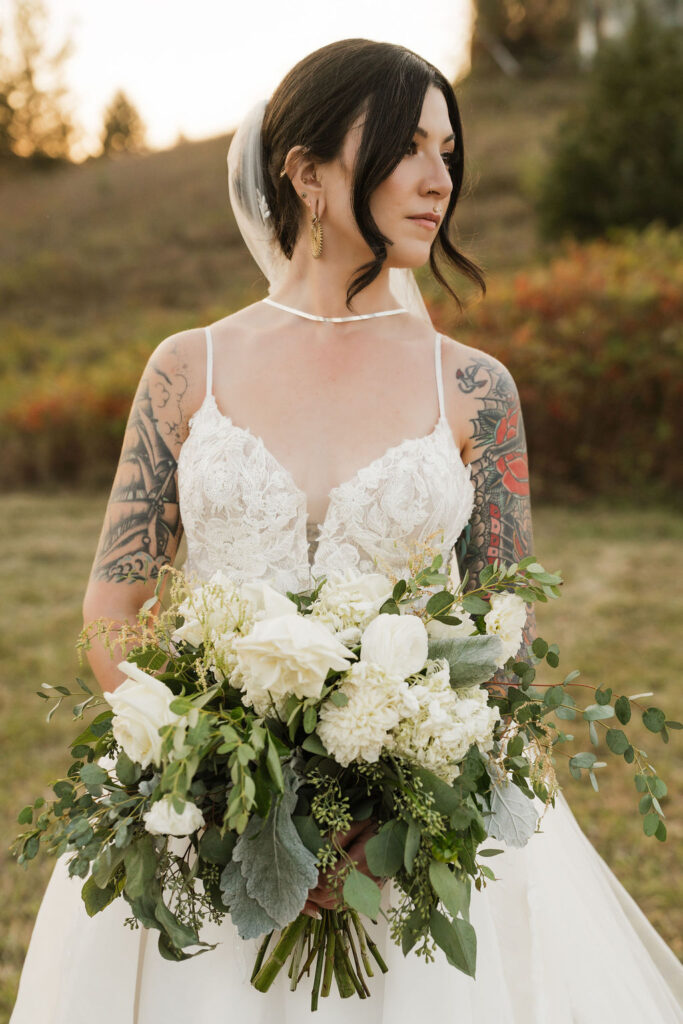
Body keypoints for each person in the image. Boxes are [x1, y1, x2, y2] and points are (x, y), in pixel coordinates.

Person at [10, 38, 683, 1024]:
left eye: (447, 149)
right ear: (305, 171)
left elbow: (504, 632)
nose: (437, 177)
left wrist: (397, 805)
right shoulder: (184, 370)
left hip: (414, 836)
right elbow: (112, 613)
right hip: (204, 825)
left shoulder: (473, 389)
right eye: (407, 145)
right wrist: (227, 785)